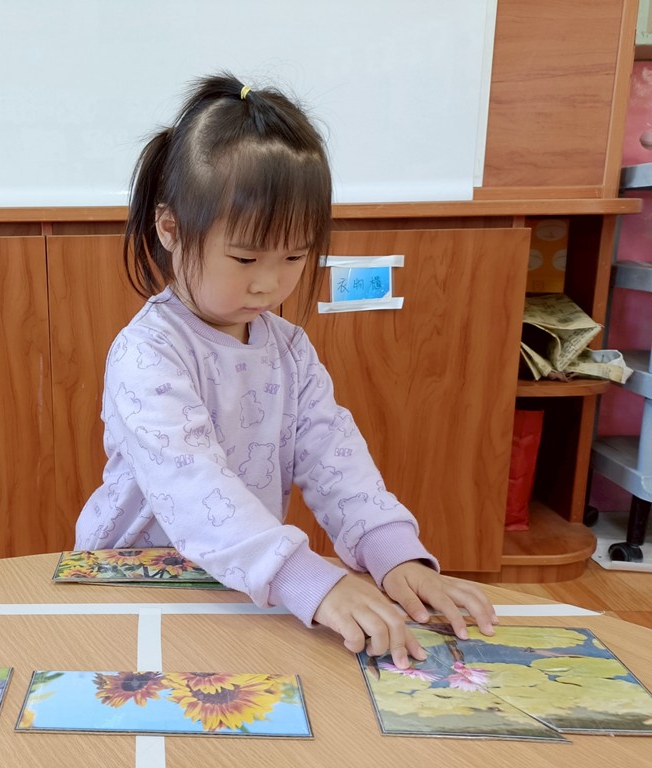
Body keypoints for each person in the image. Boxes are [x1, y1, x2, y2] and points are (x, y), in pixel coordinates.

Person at [75, 72, 497, 668]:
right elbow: (194, 489)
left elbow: (334, 458)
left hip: (243, 581)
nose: (269, 284)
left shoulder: (290, 348)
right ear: (170, 228)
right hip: (136, 579)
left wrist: (394, 554)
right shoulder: (148, 351)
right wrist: (308, 577)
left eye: (294, 256)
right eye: (245, 257)